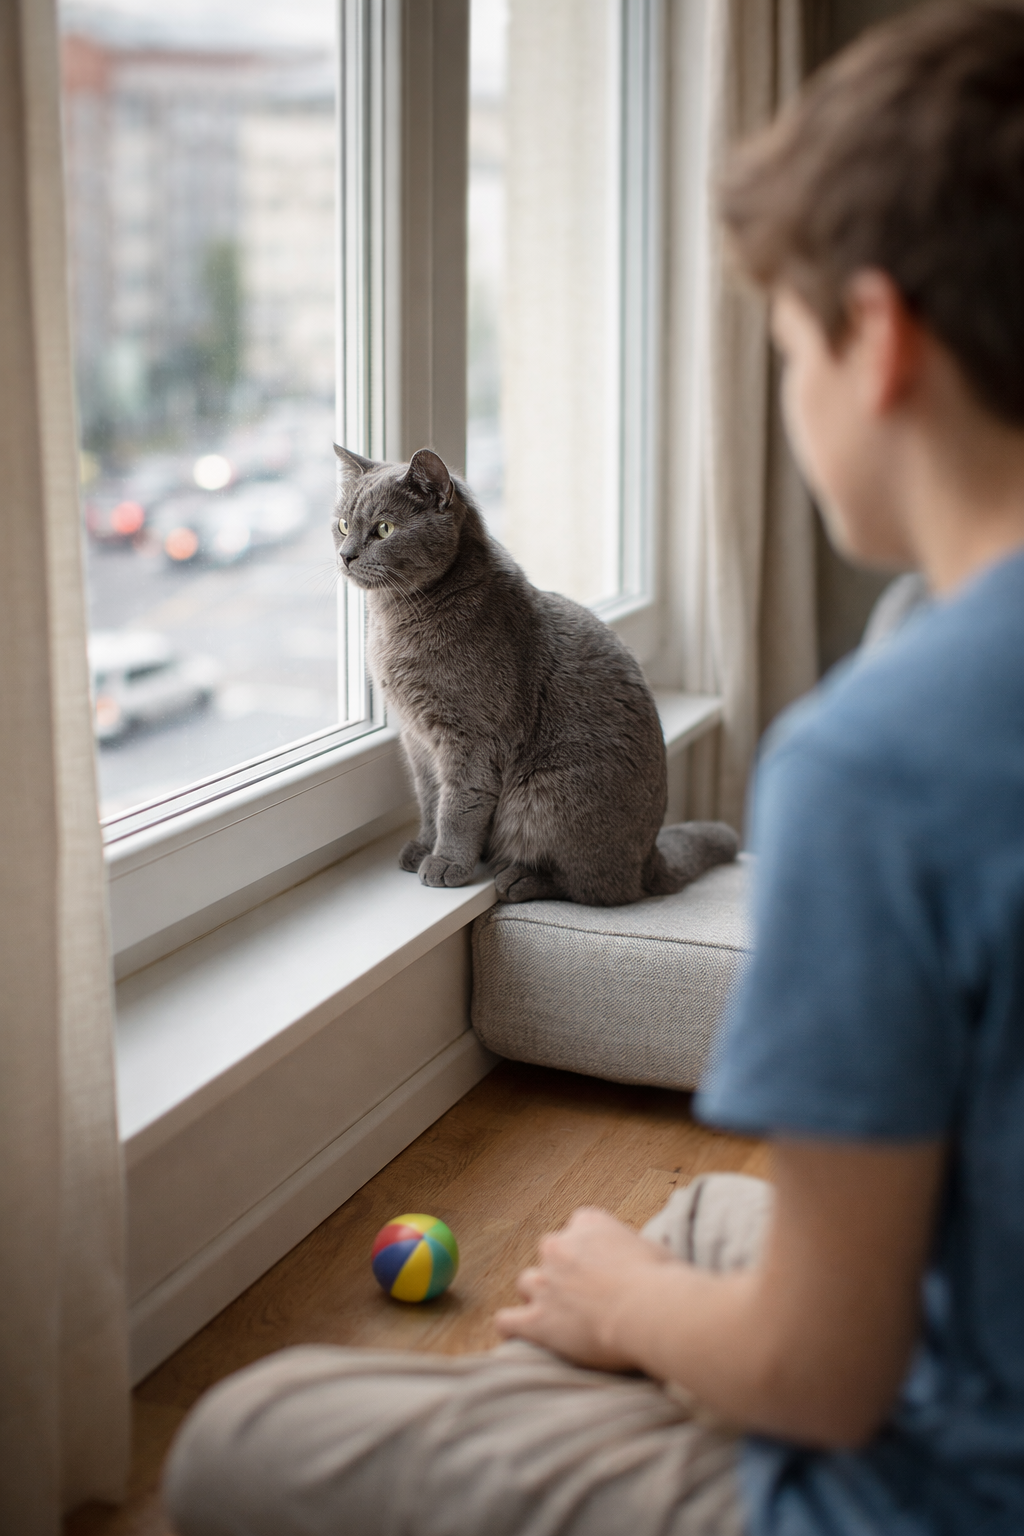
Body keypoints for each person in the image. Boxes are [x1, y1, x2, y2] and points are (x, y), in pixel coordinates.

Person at [163, 3, 1024, 1532]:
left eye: (779, 349)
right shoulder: (929, 650)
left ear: (877, 341)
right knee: (695, 1213)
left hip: (939, 1482)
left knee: (247, 1431)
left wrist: (627, 1313)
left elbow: (824, 1374)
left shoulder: (884, 752)